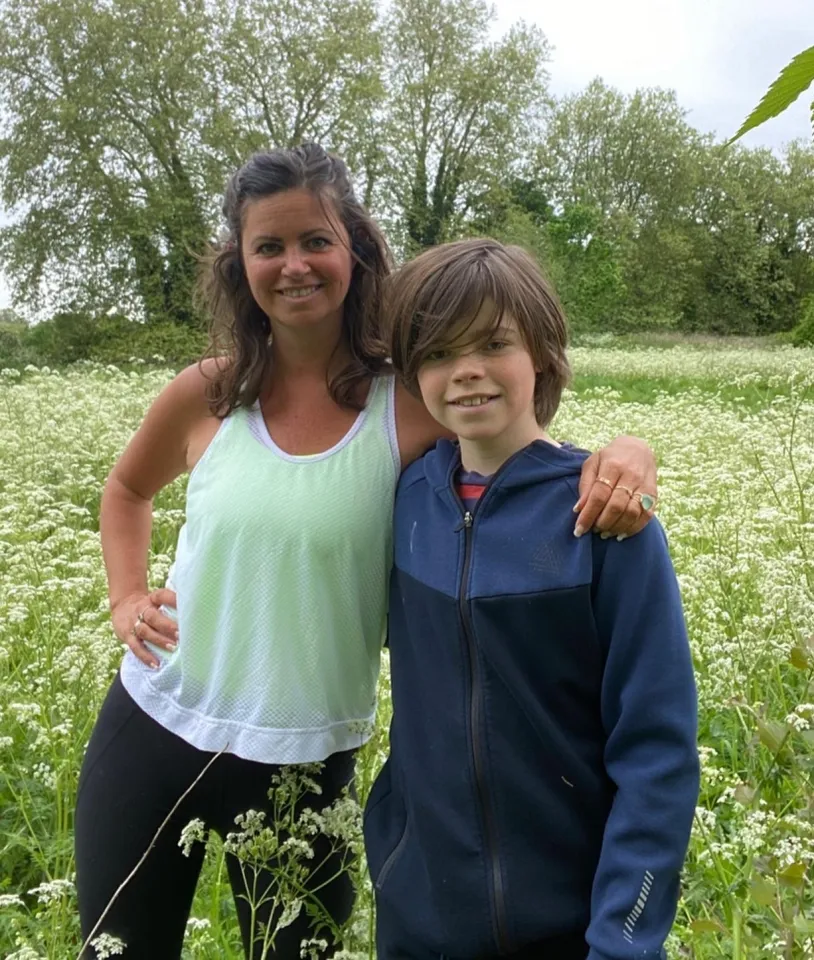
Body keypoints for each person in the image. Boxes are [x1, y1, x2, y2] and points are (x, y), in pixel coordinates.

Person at [74, 143, 661, 960]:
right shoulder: (205, 392)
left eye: (315, 240)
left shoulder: (408, 403)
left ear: (354, 245)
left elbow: (525, 443)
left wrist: (629, 451)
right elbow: (125, 493)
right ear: (239, 265)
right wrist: (126, 595)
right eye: (267, 247)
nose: (294, 265)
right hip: (155, 724)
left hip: (308, 757)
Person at [364, 238, 699, 960]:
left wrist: (623, 940)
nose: (467, 371)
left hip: (574, 931)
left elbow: (657, 754)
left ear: (542, 353)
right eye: (439, 351)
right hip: (417, 920)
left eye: (494, 342)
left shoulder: (609, 520)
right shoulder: (405, 500)